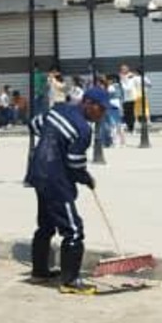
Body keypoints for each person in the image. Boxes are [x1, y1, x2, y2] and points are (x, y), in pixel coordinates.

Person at [27, 87, 110, 294]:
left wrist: (51, 138)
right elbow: (75, 164)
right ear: (88, 103)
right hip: (56, 180)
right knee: (73, 230)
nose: (102, 114)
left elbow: (34, 124)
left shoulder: (58, 110)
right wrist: (86, 179)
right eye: (100, 109)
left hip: (38, 173)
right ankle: (70, 281)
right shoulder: (83, 129)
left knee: (46, 225)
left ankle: (39, 271)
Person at [119, 64, 138, 133]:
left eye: (124, 69)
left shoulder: (131, 76)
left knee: (130, 113)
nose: (122, 70)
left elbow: (128, 88)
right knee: (126, 113)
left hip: (130, 97)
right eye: (121, 69)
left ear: (127, 69)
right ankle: (129, 127)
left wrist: (122, 81)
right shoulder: (123, 77)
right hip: (125, 98)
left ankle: (131, 128)